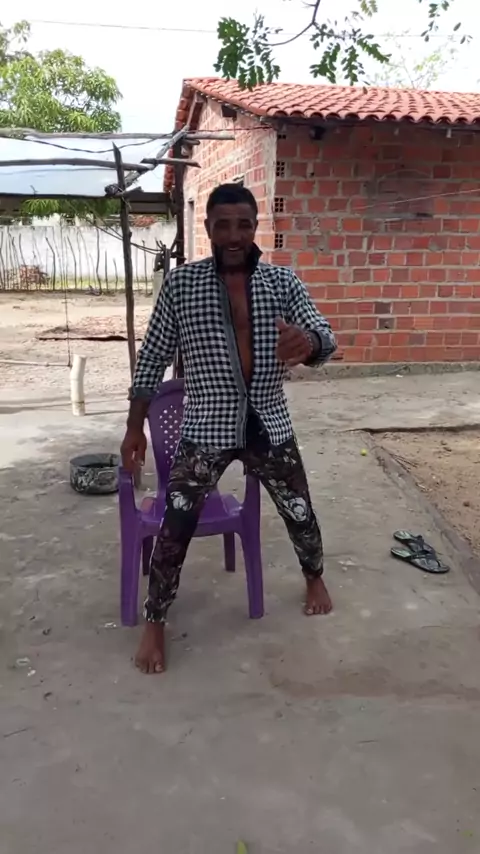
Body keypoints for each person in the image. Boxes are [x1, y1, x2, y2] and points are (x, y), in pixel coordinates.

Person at [121, 183, 337, 674]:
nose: (235, 236)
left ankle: (314, 577)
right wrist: (135, 428)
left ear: (256, 226)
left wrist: (308, 344)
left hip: (269, 421)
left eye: (244, 225)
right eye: (223, 225)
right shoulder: (182, 286)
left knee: (299, 510)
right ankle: (155, 621)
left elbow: (325, 336)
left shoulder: (282, 283)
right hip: (206, 427)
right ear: (208, 228)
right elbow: (151, 359)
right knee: (175, 524)